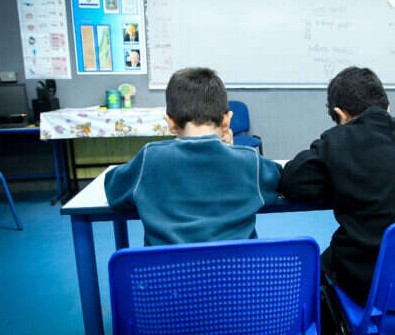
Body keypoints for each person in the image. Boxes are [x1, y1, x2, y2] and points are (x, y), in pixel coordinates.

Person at [278, 66, 395, 306]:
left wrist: (340, 180)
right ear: (387, 107)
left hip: (367, 282)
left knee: (319, 266)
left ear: (340, 115)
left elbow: (291, 183)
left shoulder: (338, 142)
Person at [105, 67, 281, 245]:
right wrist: (232, 150)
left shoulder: (149, 159)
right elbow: (278, 180)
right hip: (234, 263)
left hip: (168, 264)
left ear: (171, 123)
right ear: (226, 121)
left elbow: (113, 190)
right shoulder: (250, 162)